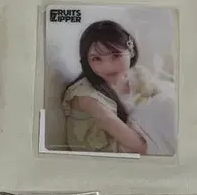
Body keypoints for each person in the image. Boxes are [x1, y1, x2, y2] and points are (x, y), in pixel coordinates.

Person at [61, 20, 164, 155]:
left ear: (131, 51)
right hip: (104, 157)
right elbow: (139, 146)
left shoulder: (138, 75)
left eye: (116, 55)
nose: (108, 66)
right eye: (96, 59)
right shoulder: (87, 97)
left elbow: (161, 103)